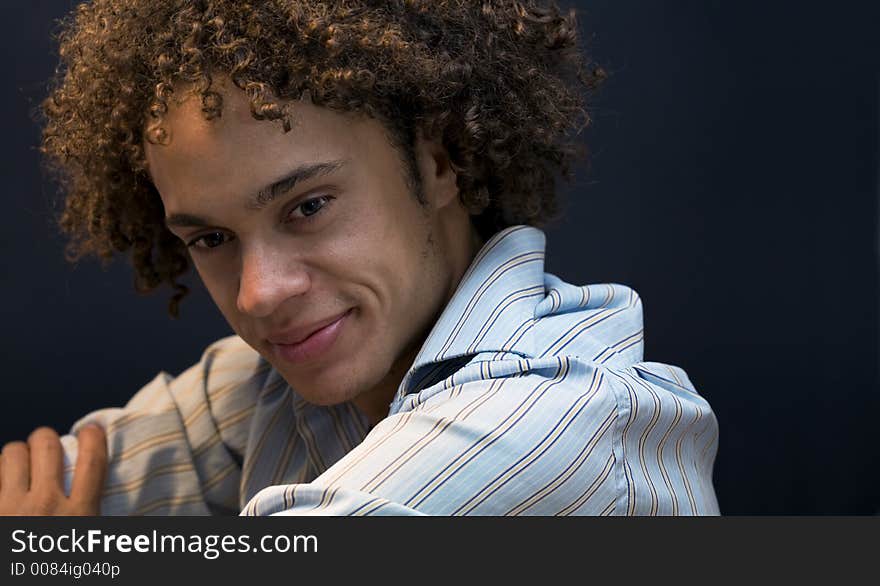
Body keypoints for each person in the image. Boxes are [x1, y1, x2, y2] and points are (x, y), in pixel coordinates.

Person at [0, 0, 719, 516]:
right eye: (213, 239)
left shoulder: (549, 425)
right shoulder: (259, 396)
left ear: (442, 158)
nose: (258, 296)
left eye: (307, 206)